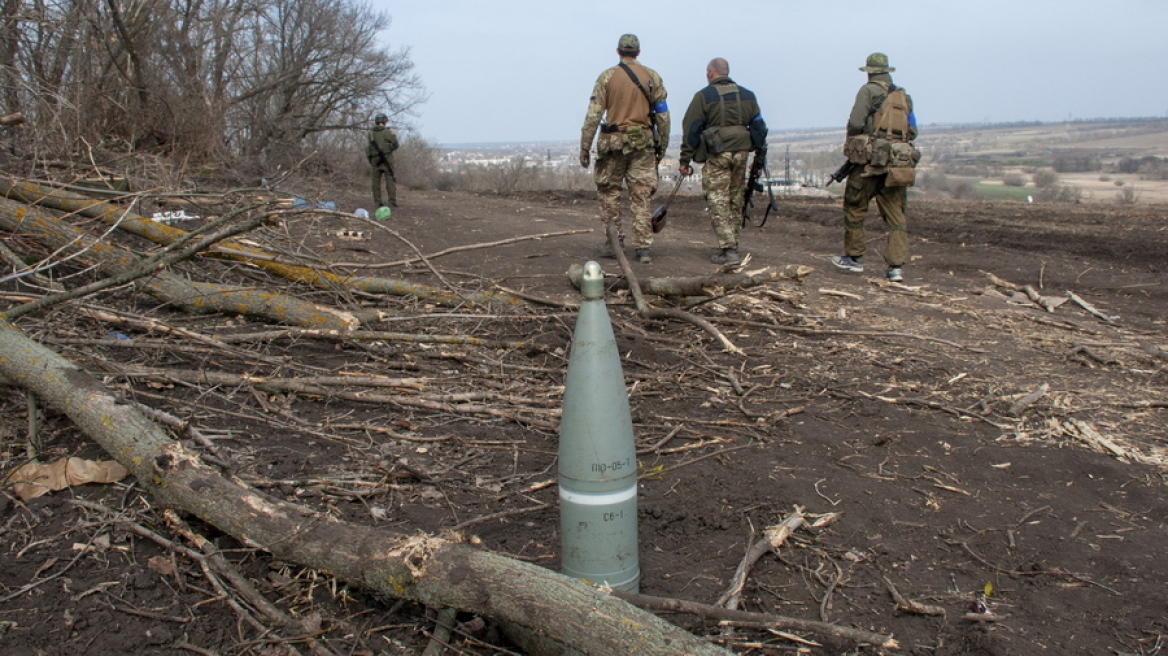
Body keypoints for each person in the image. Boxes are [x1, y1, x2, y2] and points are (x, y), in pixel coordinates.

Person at [580, 34, 670, 264]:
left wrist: (585, 147)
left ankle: (615, 243)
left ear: (618, 51)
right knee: (640, 196)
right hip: (643, 144)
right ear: (638, 52)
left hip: (613, 144)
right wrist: (663, 145)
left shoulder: (607, 77)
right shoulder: (652, 77)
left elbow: (593, 116)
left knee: (609, 194)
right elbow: (663, 115)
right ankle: (644, 249)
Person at [831, 52, 918, 283]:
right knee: (896, 216)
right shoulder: (903, 96)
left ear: (869, 72)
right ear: (888, 72)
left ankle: (854, 259)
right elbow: (914, 130)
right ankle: (895, 268)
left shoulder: (867, 91)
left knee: (855, 207)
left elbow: (857, 122)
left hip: (869, 164)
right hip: (897, 164)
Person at [678, 58, 766, 265]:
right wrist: (759, 158)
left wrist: (685, 159)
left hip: (718, 154)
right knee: (736, 197)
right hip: (742, 153)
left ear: (710, 73)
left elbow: (691, 128)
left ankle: (728, 249)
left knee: (717, 198)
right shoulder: (747, 95)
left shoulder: (704, 96)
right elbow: (759, 127)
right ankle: (733, 242)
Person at [366, 113, 400, 209]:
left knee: (375, 181)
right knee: (390, 179)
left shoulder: (371, 133)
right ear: (384, 122)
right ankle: (392, 201)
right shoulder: (387, 132)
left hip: (374, 160)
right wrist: (387, 148)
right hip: (386, 160)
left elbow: (369, 147)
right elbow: (396, 144)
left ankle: (377, 202)